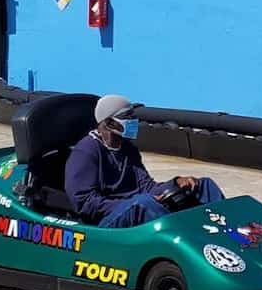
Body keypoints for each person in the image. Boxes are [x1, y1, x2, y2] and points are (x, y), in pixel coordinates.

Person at [65, 94, 224, 228]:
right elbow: (85, 203)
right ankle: (186, 242)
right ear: (109, 123)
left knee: (203, 185)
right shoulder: (85, 152)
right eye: (127, 118)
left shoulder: (128, 149)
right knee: (144, 203)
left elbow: (146, 186)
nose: (134, 122)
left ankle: (229, 233)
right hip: (104, 222)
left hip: (136, 205)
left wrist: (175, 184)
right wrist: (129, 203)